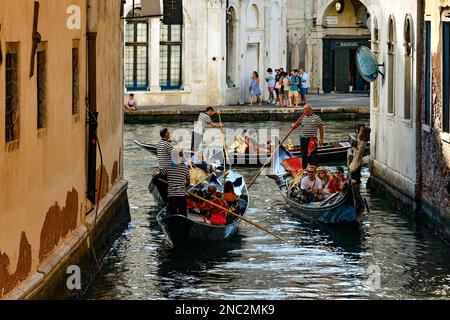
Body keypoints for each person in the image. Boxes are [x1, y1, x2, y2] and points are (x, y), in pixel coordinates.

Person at [157, 149, 191, 216]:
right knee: (183, 213)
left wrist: (155, 176)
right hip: (182, 195)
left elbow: (159, 175)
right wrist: (182, 186)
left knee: (172, 213)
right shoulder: (186, 168)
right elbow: (188, 182)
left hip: (171, 195)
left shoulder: (168, 167)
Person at [292, 104, 324, 169]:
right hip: (303, 139)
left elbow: (321, 129)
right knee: (304, 155)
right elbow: (295, 125)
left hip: (312, 140)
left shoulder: (317, 118)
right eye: (304, 109)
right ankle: (304, 169)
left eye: (306, 109)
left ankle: (313, 169)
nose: (304, 111)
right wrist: (293, 126)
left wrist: (321, 139)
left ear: (310, 109)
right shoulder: (302, 118)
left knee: (313, 155)